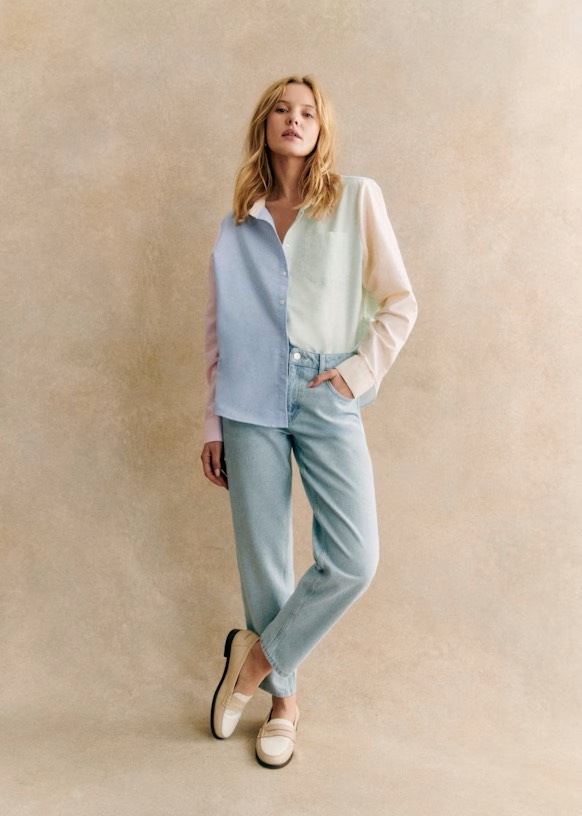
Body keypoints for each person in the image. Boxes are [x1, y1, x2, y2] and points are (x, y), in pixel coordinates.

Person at [200, 74, 418, 769]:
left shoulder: (355, 198)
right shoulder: (239, 222)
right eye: (281, 109)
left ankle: (253, 662)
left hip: (326, 389)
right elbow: (220, 331)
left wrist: (356, 374)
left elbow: (400, 302)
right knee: (265, 558)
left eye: (308, 112)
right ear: (265, 125)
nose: (294, 120)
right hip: (247, 397)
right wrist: (212, 422)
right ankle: (284, 706)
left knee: (354, 558)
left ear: (321, 129)